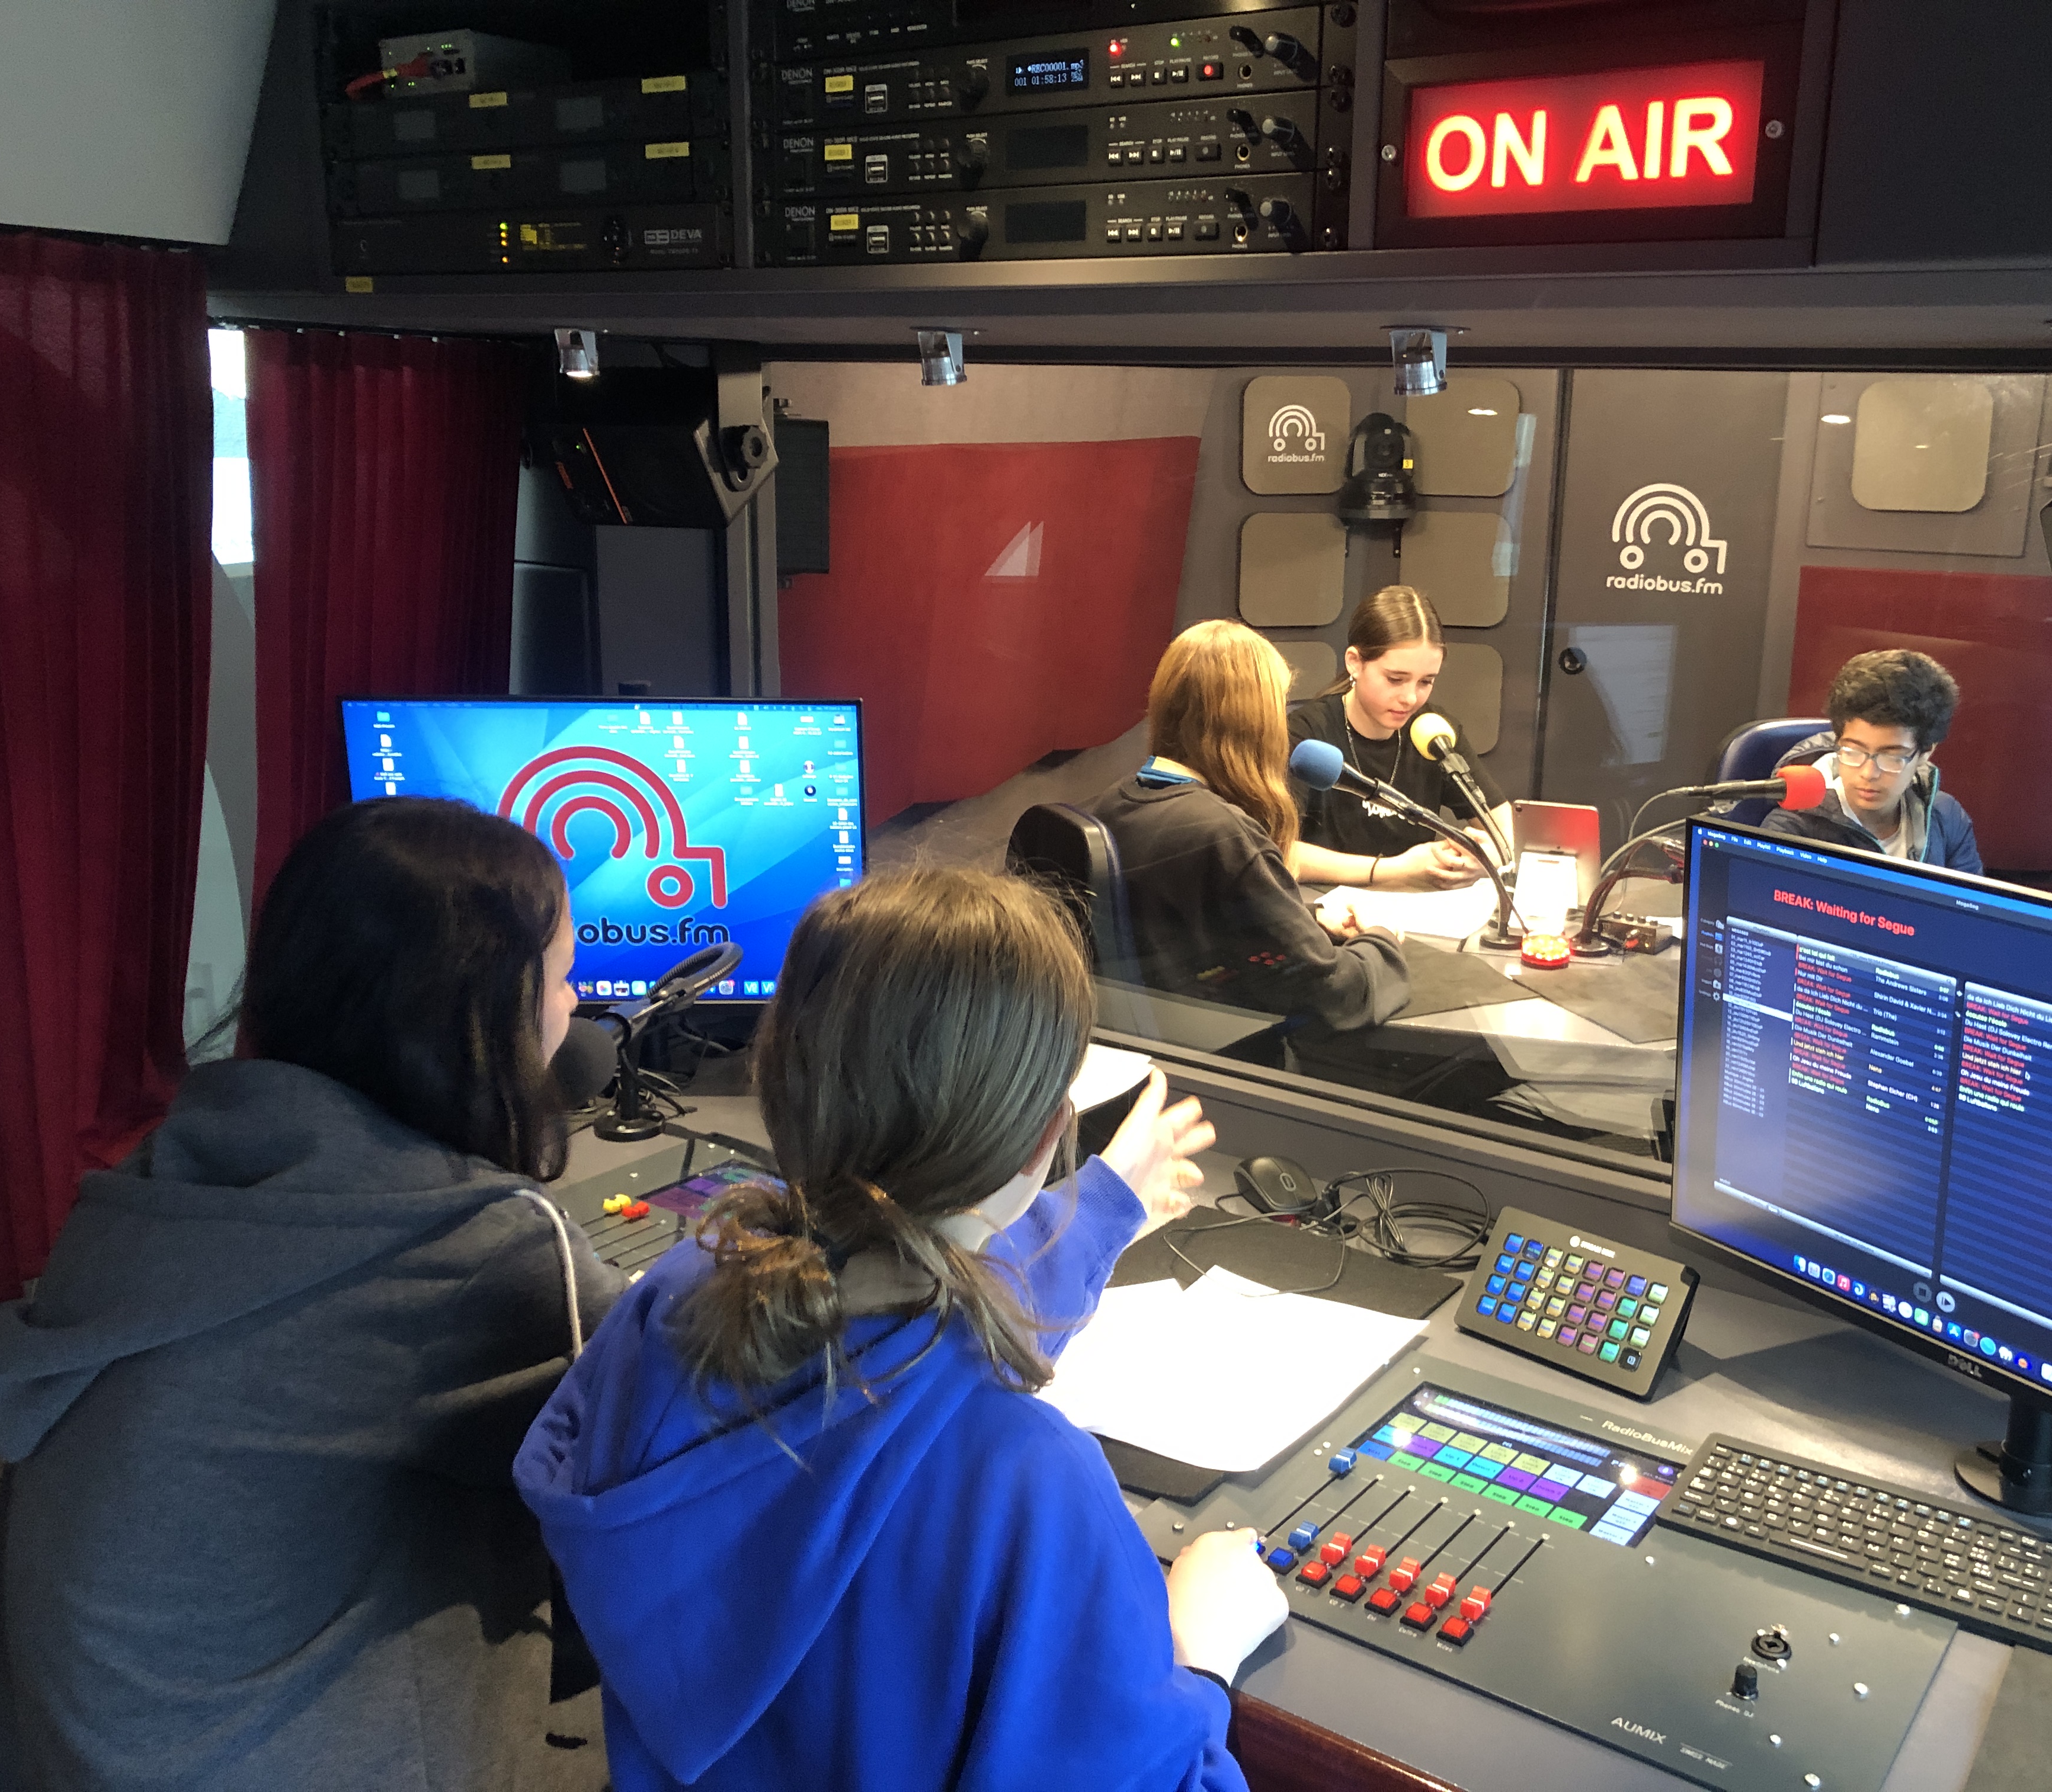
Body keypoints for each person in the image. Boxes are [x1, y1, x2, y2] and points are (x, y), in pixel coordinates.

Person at [514, 867, 1288, 1791]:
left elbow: (893, 1303)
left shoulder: (670, 1304)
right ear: (1047, 1138)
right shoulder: (1030, 1481)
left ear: (778, 1080)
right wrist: (1201, 1657)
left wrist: (1110, 1204)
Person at [0, 797, 625, 1791]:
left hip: (80, 1744)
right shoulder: (483, 1245)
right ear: (485, 1011)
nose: (573, 1006)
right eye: (562, 976)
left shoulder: (155, 1183)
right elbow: (676, 1431)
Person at [1090, 619, 1411, 1029]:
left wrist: (1312, 920)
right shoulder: (1222, 835)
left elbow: (1209, 931)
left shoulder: (1115, 802)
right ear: (1253, 722)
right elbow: (1333, 992)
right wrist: (1381, 939)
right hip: (1227, 1053)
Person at [1286, 585, 1514, 892]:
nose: (1410, 698)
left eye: (1426, 682)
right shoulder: (1305, 733)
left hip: (1411, 907)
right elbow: (1275, 848)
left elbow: (1499, 824)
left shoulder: (1436, 731)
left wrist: (1486, 858)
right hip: (1321, 906)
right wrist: (1394, 869)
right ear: (1355, 662)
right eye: (1395, 679)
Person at [1762, 649, 1984, 873]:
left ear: (1925, 753)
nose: (1869, 773)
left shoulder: (1947, 817)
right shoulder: (1793, 827)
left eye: (1892, 757)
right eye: (1853, 751)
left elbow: (1968, 895)